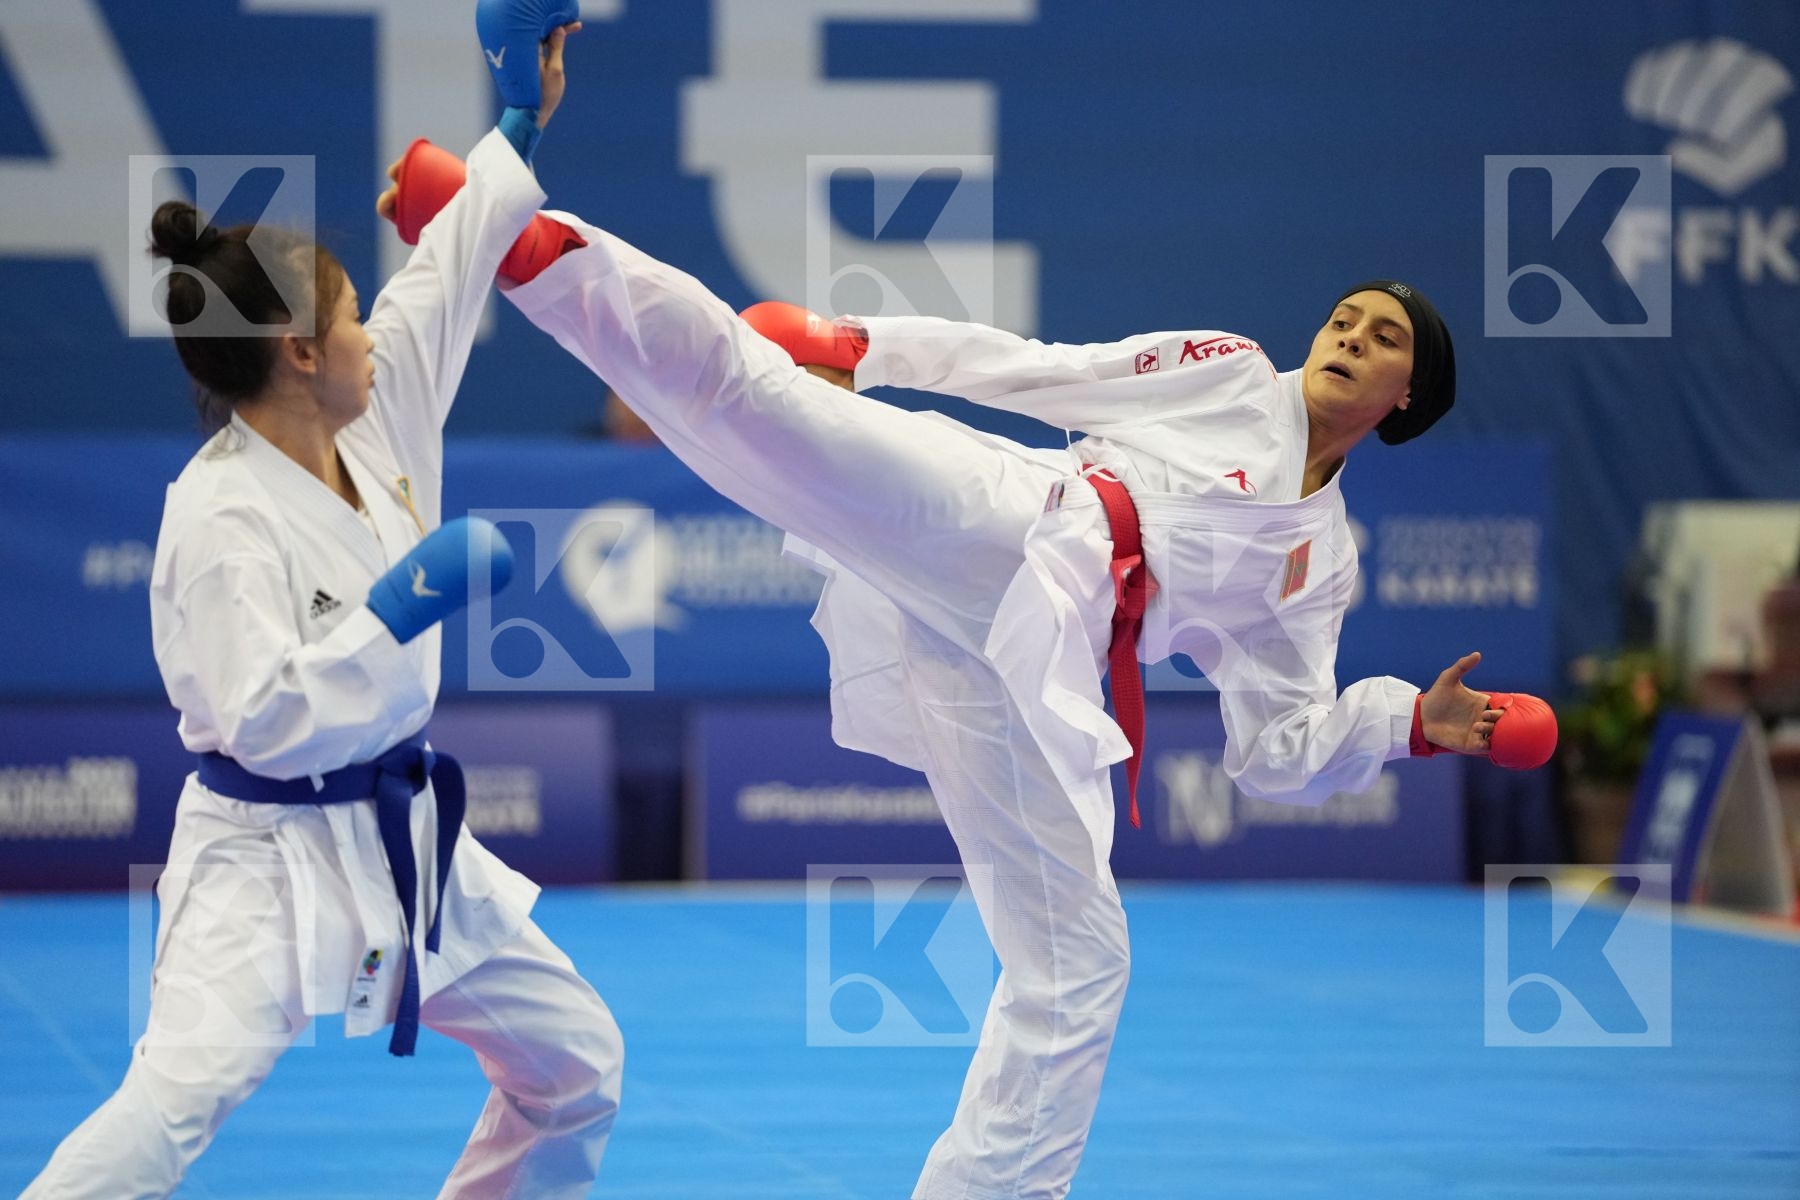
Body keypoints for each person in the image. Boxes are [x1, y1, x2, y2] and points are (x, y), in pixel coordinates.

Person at [388, 147, 1554, 1195]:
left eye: (1382, 339)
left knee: (1080, 960)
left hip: (1031, 665)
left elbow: (1280, 749)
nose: (1349, 337)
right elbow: (1049, 373)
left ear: (1409, 402)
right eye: (1346, 319)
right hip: (1017, 519)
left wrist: (1406, 723)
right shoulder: (1231, 371)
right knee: (770, 413)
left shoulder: (1320, 565)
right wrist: (868, 347)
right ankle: (529, 248)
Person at [20, 15, 624, 1200]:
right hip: (261, 855)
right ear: (297, 351)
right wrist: (398, 604)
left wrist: (516, 116)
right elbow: (258, 721)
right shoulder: (216, 518)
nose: (371, 331)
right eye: (350, 315)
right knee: (174, 1103)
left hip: (403, 843)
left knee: (576, 1064)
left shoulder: (378, 406)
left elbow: (451, 267)